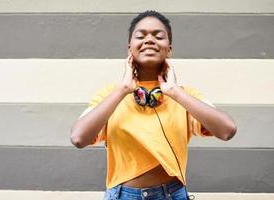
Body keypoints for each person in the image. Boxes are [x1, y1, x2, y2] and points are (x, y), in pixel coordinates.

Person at [70, 10, 237, 200]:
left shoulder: (184, 95)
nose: (149, 40)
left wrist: (174, 91)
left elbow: (227, 130)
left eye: (158, 36)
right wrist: (123, 88)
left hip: (173, 194)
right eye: (141, 36)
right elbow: (78, 138)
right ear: (129, 48)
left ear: (169, 49)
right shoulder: (111, 95)